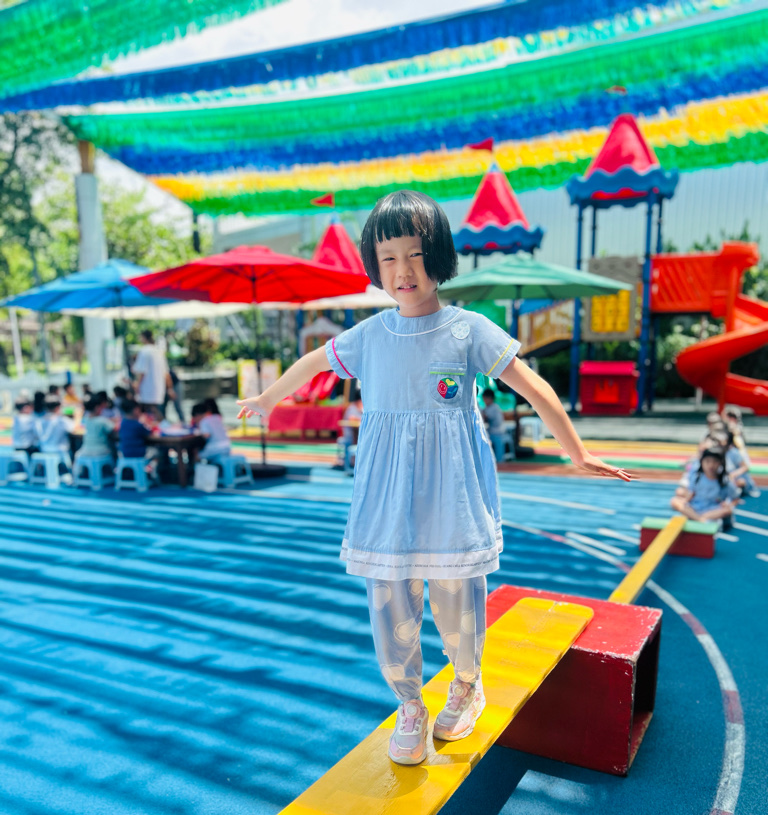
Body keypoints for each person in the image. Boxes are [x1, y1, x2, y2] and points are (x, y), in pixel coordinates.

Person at [237, 189, 630, 767]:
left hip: (451, 496)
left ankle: (467, 685)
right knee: (390, 603)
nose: (404, 270)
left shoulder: (468, 330)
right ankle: (409, 703)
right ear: (374, 266)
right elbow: (315, 362)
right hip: (386, 499)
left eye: (416, 255)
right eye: (389, 257)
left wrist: (576, 451)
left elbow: (533, 386)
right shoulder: (370, 336)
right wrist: (269, 398)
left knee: (458, 599)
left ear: (439, 256)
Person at [671, 447, 739, 527]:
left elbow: (735, 499)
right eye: (707, 461)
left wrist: (729, 505)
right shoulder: (696, 477)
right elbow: (693, 493)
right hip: (696, 507)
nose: (711, 465)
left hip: (713, 511)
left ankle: (700, 518)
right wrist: (686, 500)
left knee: (727, 510)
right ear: (701, 462)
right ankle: (700, 519)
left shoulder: (725, 481)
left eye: (715, 461)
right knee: (675, 501)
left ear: (721, 463)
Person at [132, 329, 174, 416]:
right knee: (158, 415)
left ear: (144, 338)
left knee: (148, 416)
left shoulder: (144, 351)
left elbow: (142, 372)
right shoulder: (159, 351)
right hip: (159, 391)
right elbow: (166, 373)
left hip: (147, 391)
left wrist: (137, 386)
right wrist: (170, 389)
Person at [723, 407, 760, 498]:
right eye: (729, 417)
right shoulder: (728, 429)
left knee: (741, 475)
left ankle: (746, 487)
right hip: (733, 456)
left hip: (738, 455)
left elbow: (739, 445)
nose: (731, 419)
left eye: (732, 417)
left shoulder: (736, 430)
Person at [118, 398, 159, 477]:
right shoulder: (137, 425)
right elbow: (149, 432)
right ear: (135, 410)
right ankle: (151, 472)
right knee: (157, 452)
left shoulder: (123, 423)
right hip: (138, 453)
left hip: (124, 453)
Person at [77, 395, 116, 461]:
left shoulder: (85, 420)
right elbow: (114, 429)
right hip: (102, 451)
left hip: (85, 450)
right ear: (97, 408)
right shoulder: (102, 421)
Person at [196, 397, 231, 464]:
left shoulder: (204, 421)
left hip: (215, 449)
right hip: (227, 446)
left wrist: (199, 433)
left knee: (197, 454)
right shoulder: (218, 417)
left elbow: (206, 435)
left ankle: (194, 469)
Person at [480, 387, 508, 464]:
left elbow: (484, 418)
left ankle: (499, 462)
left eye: (485, 399)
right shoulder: (490, 407)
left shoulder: (493, 407)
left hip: (497, 432)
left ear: (490, 398)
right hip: (494, 431)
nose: (484, 401)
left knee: (498, 451)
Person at [340, 389, 363, 475]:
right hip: (350, 434)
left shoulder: (361, 408)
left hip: (357, 433)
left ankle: (355, 461)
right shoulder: (352, 408)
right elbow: (352, 418)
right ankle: (352, 462)